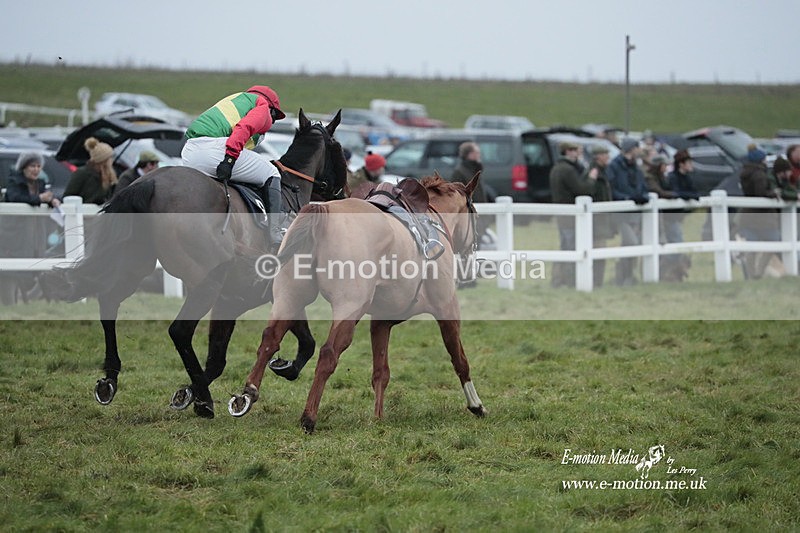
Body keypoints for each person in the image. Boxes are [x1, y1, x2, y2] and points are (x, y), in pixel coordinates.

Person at [181, 85, 287, 251]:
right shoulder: (263, 107)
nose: (272, 122)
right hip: (214, 150)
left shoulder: (237, 99)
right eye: (275, 118)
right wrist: (229, 159)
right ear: (272, 109)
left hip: (189, 152)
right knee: (271, 172)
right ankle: (274, 231)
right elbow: (244, 128)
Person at [1, 152, 60, 304]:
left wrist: (51, 201)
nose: (36, 169)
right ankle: (11, 304)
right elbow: (16, 198)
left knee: (38, 266)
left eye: (38, 166)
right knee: (13, 271)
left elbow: (40, 199)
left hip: (34, 235)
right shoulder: (15, 182)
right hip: (15, 235)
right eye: (32, 166)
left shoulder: (39, 184)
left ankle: (41, 301)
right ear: (24, 167)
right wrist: (39, 199)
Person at [549, 141, 596, 288]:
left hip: (562, 214)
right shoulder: (567, 170)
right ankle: (569, 281)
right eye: (575, 150)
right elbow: (582, 190)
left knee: (565, 246)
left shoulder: (557, 168)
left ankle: (558, 280)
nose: (578, 153)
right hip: (570, 215)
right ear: (567, 151)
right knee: (570, 247)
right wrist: (592, 178)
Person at [606, 137, 649, 286]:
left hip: (635, 213)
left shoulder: (635, 167)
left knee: (630, 245)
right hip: (621, 214)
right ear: (632, 149)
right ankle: (623, 275)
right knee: (632, 242)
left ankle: (627, 276)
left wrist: (643, 196)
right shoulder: (615, 166)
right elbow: (612, 189)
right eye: (637, 147)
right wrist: (627, 198)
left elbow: (642, 184)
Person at [736, 145, 780, 279]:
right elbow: (761, 193)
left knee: (751, 247)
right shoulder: (759, 174)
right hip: (763, 217)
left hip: (748, 216)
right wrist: (773, 193)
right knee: (773, 243)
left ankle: (750, 274)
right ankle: (758, 272)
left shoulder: (745, 173)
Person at [585, 144, 615, 287]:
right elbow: (587, 192)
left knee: (600, 251)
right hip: (596, 221)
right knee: (598, 251)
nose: (608, 157)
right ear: (598, 157)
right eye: (605, 154)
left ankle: (598, 281)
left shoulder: (603, 172)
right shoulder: (593, 173)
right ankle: (596, 282)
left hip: (602, 220)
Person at [63, 137, 117, 205]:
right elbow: (68, 196)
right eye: (110, 158)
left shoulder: (109, 175)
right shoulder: (82, 173)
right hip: (84, 211)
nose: (112, 160)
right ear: (103, 160)